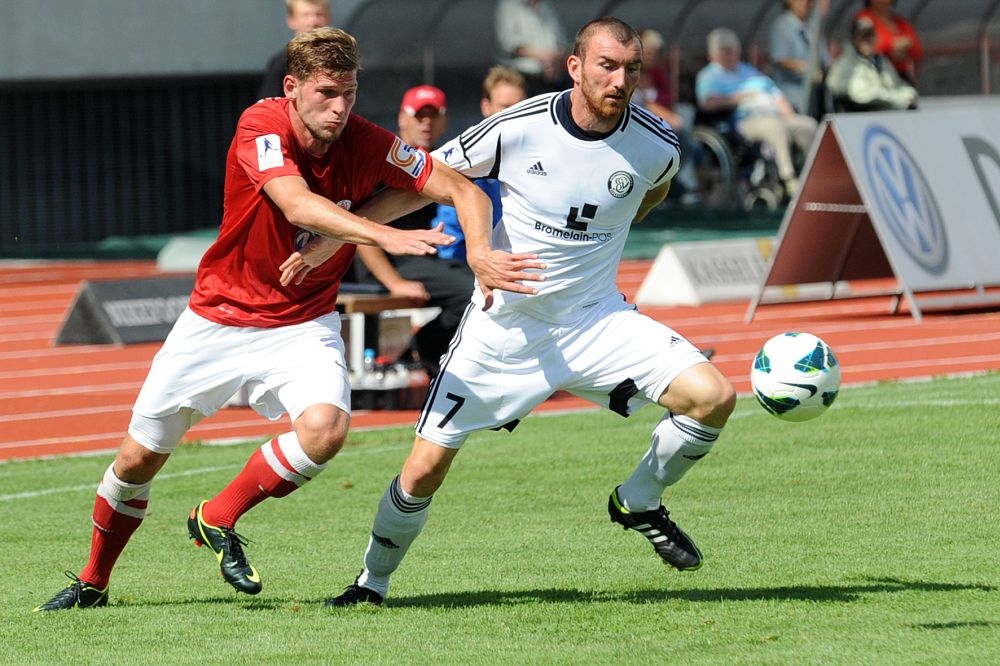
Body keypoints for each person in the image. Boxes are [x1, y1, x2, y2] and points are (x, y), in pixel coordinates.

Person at [34, 26, 529, 611]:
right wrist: (383, 235)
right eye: (327, 93)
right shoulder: (260, 124)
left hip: (302, 321)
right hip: (217, 317)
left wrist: (479, 253)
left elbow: (466, 192)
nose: (340, 107)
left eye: (349, 93)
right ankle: (93, 581)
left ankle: (218, 515)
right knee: (137, 460)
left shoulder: (367, 140)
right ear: (292, 88)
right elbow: (296, 203)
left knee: (326, 431)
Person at [309, 16, 736, 607]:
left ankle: (638, 500)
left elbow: (652, 190)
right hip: (504, 328)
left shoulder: (657, 144)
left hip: (596, 320)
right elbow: (423, 183)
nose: (620, 81)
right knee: (424, 468)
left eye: (631, 68)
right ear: (575, 67)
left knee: (714, 397)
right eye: (607, 66)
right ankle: (371, 584)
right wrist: (338, 235)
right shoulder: (517, 127)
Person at [350, 85, 475, 377]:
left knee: (487, 285)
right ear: (402, 119)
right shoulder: (388, 158)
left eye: (433, 116)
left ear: (444, 122)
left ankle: (427, 353)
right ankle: (424, 350)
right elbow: (359, 227)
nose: (426, 123)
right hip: (387, 260)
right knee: (474, 293)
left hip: (421, 256)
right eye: (419, 116)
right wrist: (394, 282)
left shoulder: (439, 161)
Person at [695, 27, 817, 199]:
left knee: (807, 125)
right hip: (745, 120)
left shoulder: (749, 71)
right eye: (724, 51)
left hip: (775, 113)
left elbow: (776, 94)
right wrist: (738, 98)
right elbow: (707, 103)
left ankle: (814, 175)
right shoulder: (710, 75)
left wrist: (788, 113)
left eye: (732, 50)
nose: (730, 54)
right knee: (775, 127)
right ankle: (788, 178)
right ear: (714, 54)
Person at [432, 66, 528, 262]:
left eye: (520, 107)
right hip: (465, 263)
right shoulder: (466, 159)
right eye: (505, 108)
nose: (515, 115)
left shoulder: (538, 156)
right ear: (486, 107)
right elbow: (450, 239)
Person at [633, 27, 701, 205]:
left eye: (655, 53)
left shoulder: (659, 75)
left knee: (688, 140)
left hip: (662, 123)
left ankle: (679, 184)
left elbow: (667, 101)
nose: (651, 57)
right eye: (648, 52)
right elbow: (643, 103)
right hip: (641, 124)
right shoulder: (631, 73)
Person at [826, 17, 918, 111]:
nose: (868, 41)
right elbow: (862, 94)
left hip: (880, 114)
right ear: (854, 40)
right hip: (855, 115)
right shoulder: (846, 62)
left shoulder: (880, 61)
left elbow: (897, 85)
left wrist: (909, 93)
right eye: (864, 38)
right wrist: (898, 98)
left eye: (871, 36)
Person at [768, 0, 831, 119]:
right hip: (793, 98)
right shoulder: (781, 26)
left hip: (816, 97)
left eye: (808, 1)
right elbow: (780, 59)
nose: (804, 3)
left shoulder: (813, 27)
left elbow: (825, 58)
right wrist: (808, 70)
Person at [257, 0, 332, 100]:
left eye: (319, 14)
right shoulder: (283, 62)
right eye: (306, 15)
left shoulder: (339, 57)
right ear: (292, 21)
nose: (313, 21)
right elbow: (269, 103)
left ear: (328, 18)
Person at [495, 0, 571, 96]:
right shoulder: (509, 5)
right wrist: (542, 57)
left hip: (549, 78)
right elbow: (508, 43)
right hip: (521, 77)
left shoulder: (547, 6)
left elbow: (561, 42)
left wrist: (553, 58)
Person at [854, 0, 922, 85]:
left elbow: (916, 50)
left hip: (900, 76)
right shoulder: (864, 19)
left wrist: (901, 48)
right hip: (875, 77)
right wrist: (891, 46)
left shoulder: (900, 23)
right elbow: (866, 47)